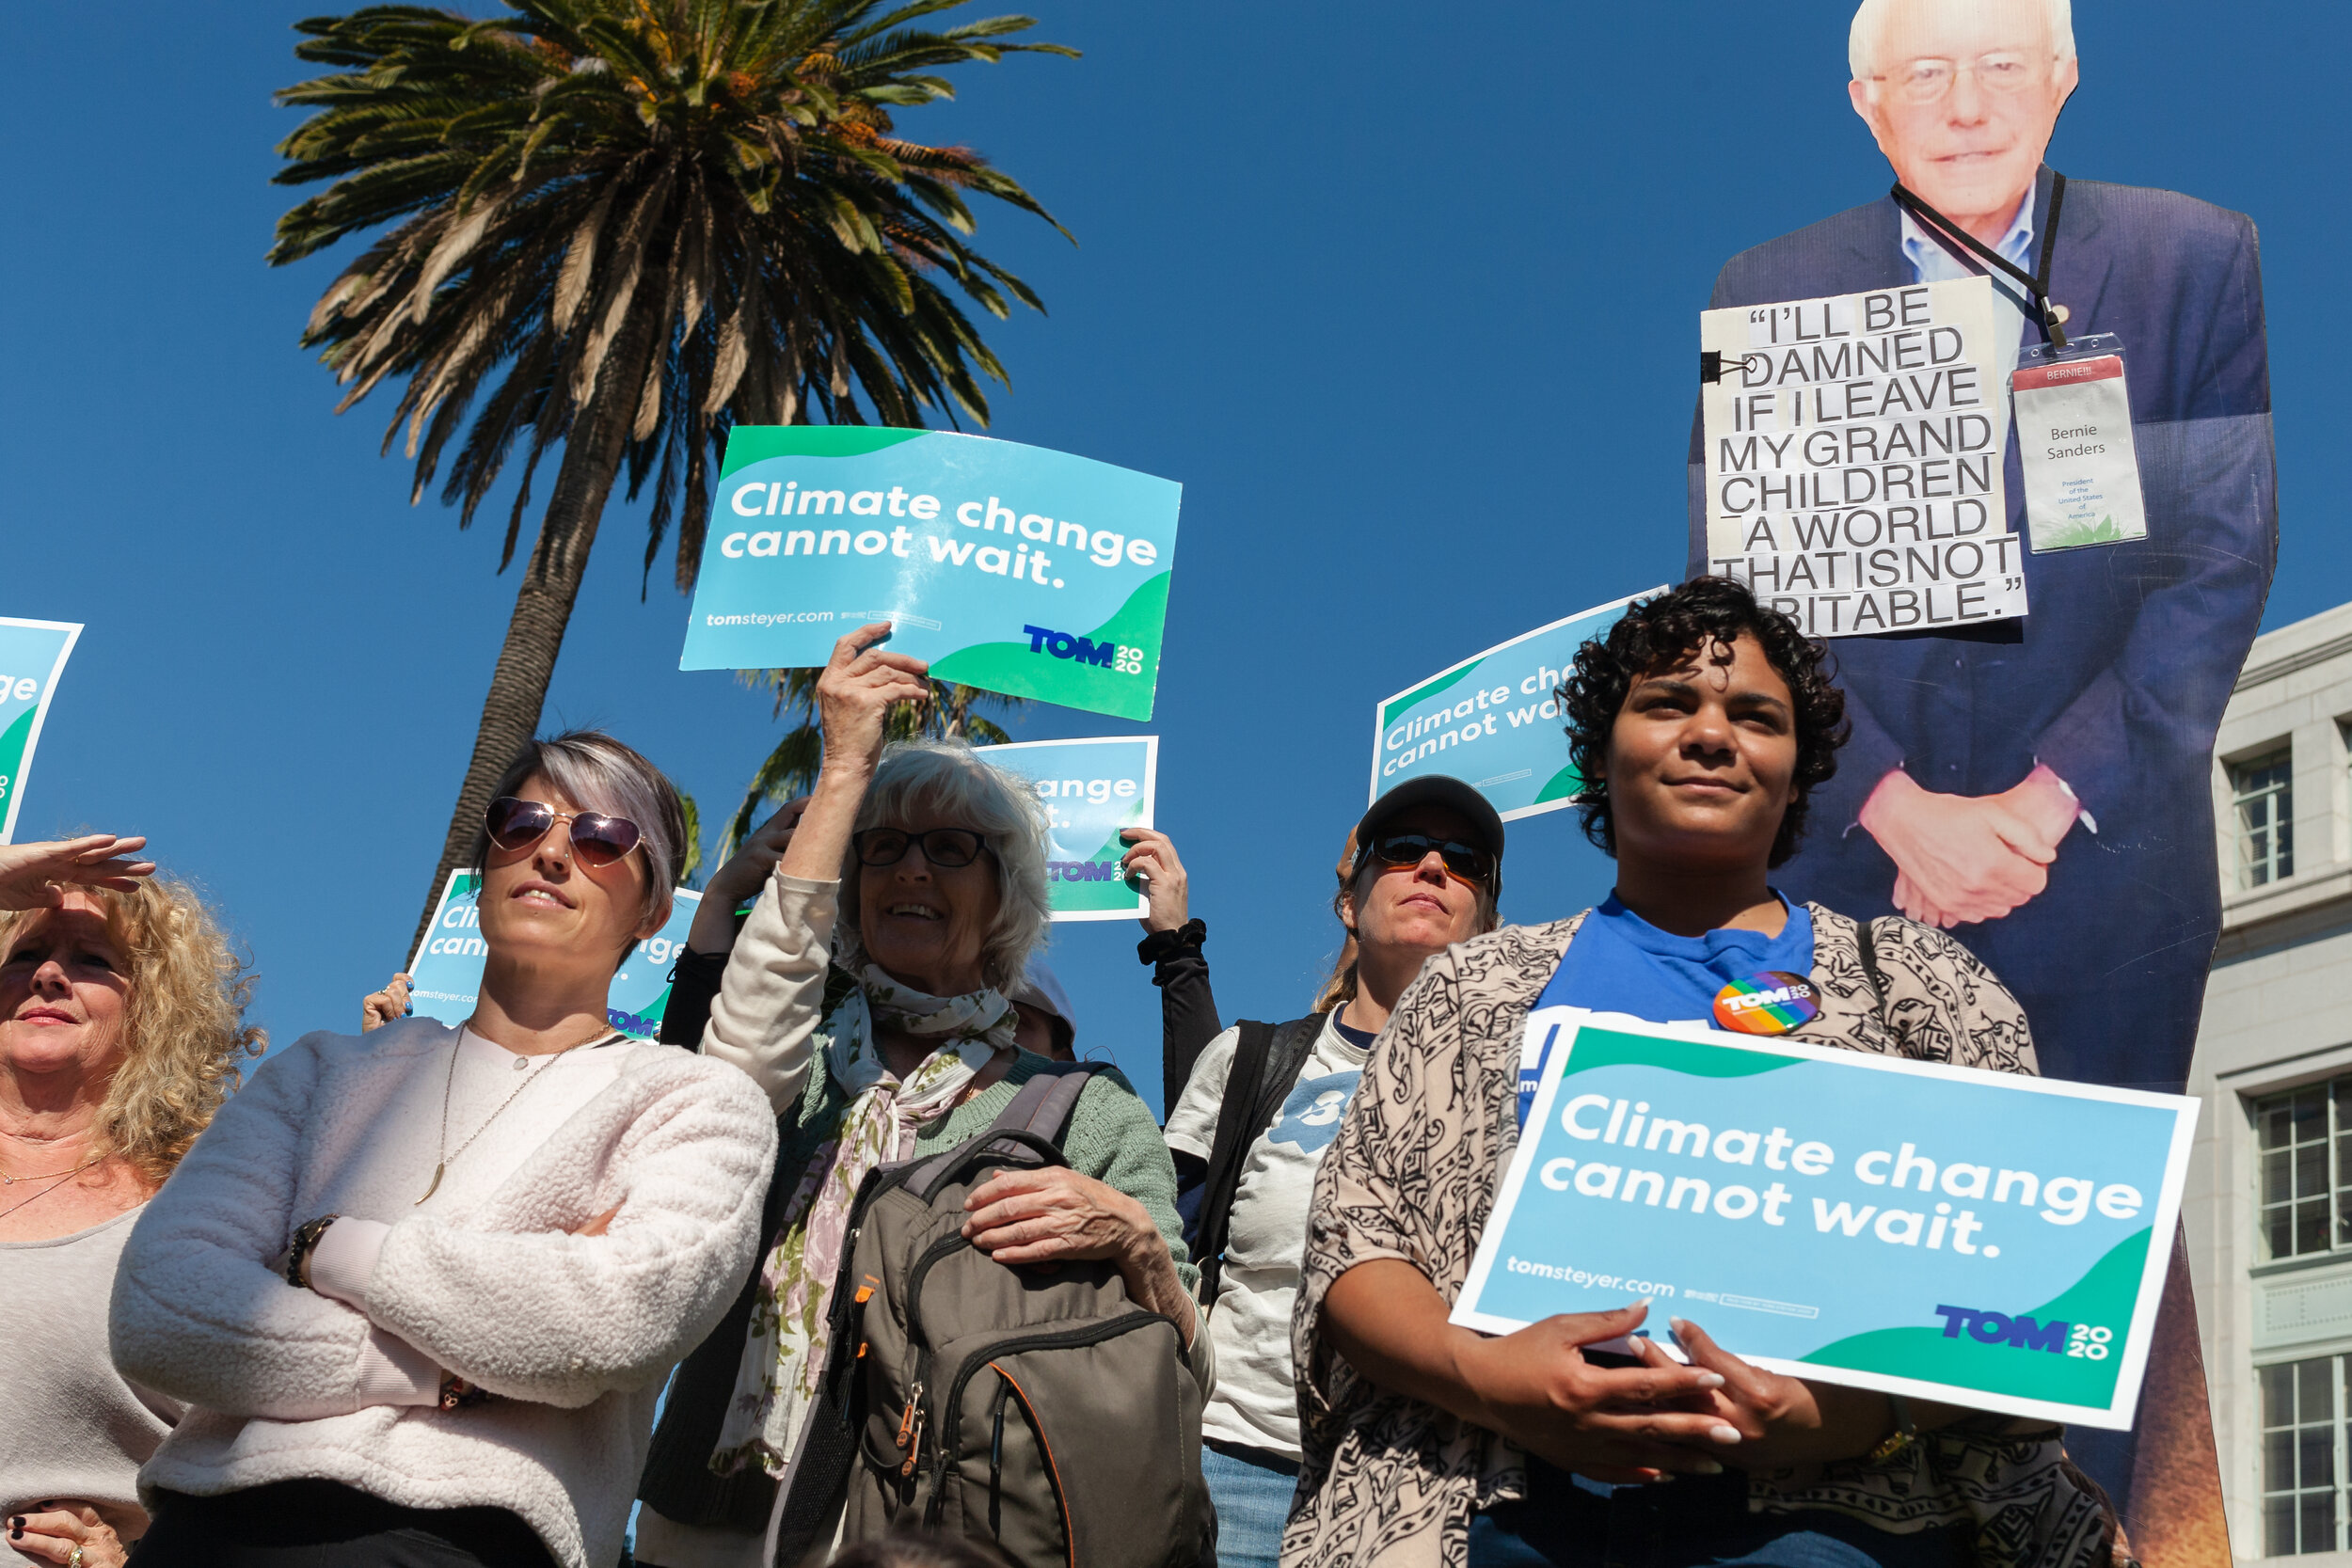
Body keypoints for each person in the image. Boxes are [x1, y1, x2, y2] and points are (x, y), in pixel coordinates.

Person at [1284, 578, 2113, 1568]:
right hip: (1504, 1512)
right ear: (1600, 754)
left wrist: (1846, 1409)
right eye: (1669, 702)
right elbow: (1357, 1240)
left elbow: (2026, 1287)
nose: (1711, 734)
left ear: (1799, 772)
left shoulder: (1919, 988)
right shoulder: (1472, 985)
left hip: (1830, 1530)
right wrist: (1486, 1371)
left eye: (1754, 715)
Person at [1689, 0, 2273, 1099]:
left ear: (2063, 78)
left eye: (2001, 65)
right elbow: (1742, 596)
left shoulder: (2191, 257)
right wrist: (1896, 809)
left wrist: (2045, 800)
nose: (1964, 109)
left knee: (2078, 1249)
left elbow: (2219, 558)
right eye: (1922, 77)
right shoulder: (1766, 289)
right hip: (1841, 882)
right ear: (1866, 105)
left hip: (2102, 885)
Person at [110, 732, 778, 1568]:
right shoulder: (320, 1071)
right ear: (483, 867)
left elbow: (617, 1318)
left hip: (465, 1541)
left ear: (652, 912)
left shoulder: (696, 1101)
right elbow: (160, 1307)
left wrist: (326, 1246)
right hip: (208, 1526)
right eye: (522, 822)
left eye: (603, 837)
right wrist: (445, 1369)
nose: (555, 853)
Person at [633, 625, 1206, 1568]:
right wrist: (842, 768)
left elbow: (1184, 1356)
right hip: (706, 1519)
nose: (910, 868)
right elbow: (736, 1041)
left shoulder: (1083, 1107)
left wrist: (1139, 1242)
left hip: (937, 1531)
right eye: (885, 847)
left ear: (1007, 895)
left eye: (949, 848)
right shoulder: (789, 1065)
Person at [1158, 779, 1503, 1568]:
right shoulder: (1248, 1059)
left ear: (1489, 920)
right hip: (1234, 1468)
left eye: (1463, 860)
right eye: (1401, 851)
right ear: (1349, 902)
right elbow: (1163, 1248)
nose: (1432, 867)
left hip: (1427, 1487)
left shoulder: (1524, 1086)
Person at [0, 835, 247, 1568]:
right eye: (23, 953)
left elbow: (260, 1469)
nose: (48, 974)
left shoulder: (199, 1209)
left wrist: (133, 1558)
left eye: (92, 960)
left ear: (153, 1008)